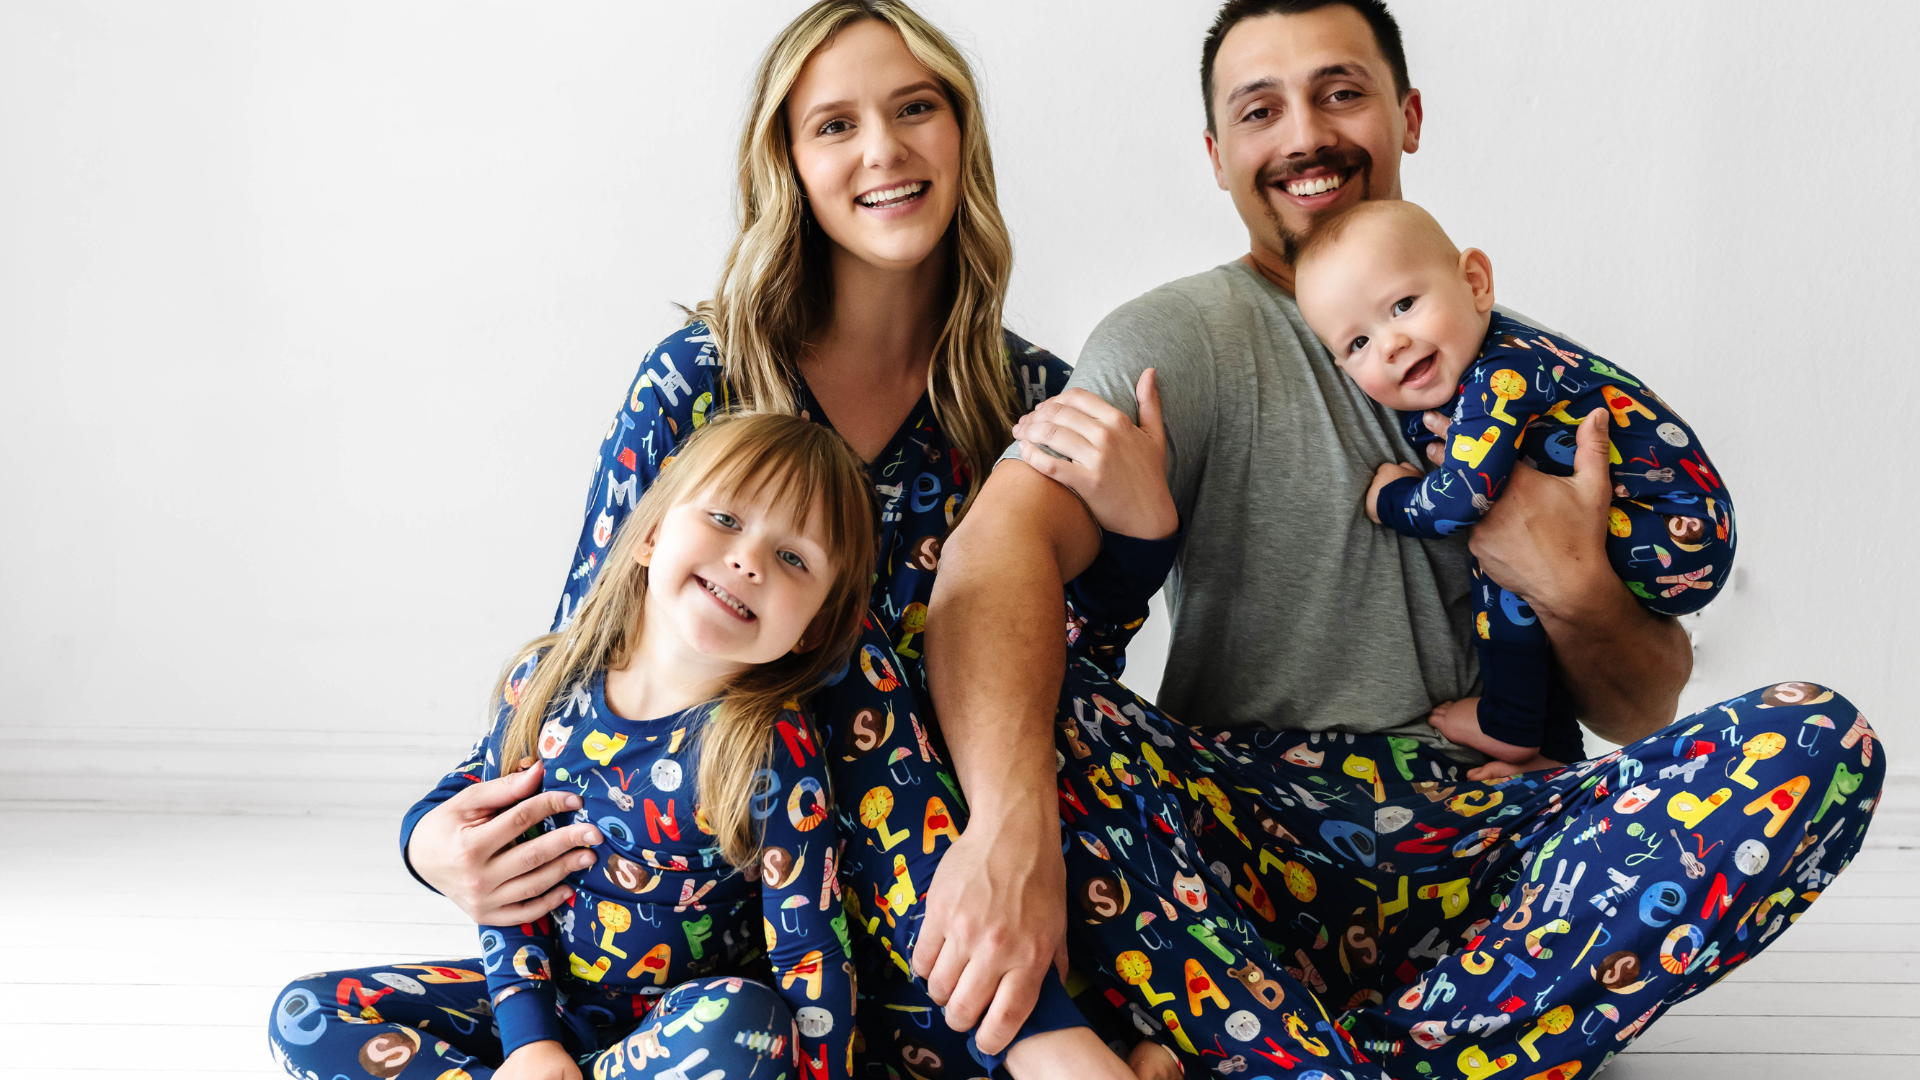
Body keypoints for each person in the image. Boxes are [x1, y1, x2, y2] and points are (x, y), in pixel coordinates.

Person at [915, 1, 1885, 1076]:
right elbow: (989, 560)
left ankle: (1307, 1057)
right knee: (1018, 702)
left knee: (1818, 741)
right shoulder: (1169, 343)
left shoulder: (1516, 367)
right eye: (1259, 110)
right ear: (1217, 154)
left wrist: (1574, 588)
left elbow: (1642, 705)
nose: (1303, 137)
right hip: (1242, 845)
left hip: (1497, 847)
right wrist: (1005, 824)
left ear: (1407, 113)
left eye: (1340, 91)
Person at [267, 2, 1148, 1077]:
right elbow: (588, 664)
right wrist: (431, 839)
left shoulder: (1025, 405)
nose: (884, 148)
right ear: (786, 160)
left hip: (907, 905)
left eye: (917, 107)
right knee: (314, 1014)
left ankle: (1047, 1039)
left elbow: (1067, 680)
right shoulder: (697, 379)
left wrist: (1144, 535)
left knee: (858, 689)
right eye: (833, 124)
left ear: (963, 131)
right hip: (619, 964)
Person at [277, 414, 875, 1078]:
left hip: (684, 1034)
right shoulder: (549, 686)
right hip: (546, 1005)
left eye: (792, 558)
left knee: (745, 1022)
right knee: (308, 1011)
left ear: (813, 629)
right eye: (726, 520)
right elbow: (507, 887)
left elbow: (811, 953)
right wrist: (530, 1042)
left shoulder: (770, 748)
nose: (747, 560)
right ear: (651, 535)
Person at [1293, 199, 1735, 769]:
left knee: (1500, 534)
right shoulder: (1484, 363)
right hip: (1677, 524)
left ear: (1475, 283)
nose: (1390, 344)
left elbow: (1455, 502)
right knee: (1516, 532)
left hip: (1670, 533)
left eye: (1403, 305)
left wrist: (1392, 497)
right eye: (1357, 344)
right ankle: (1544, 741)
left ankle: (1512, 719)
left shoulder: (1503, 373)